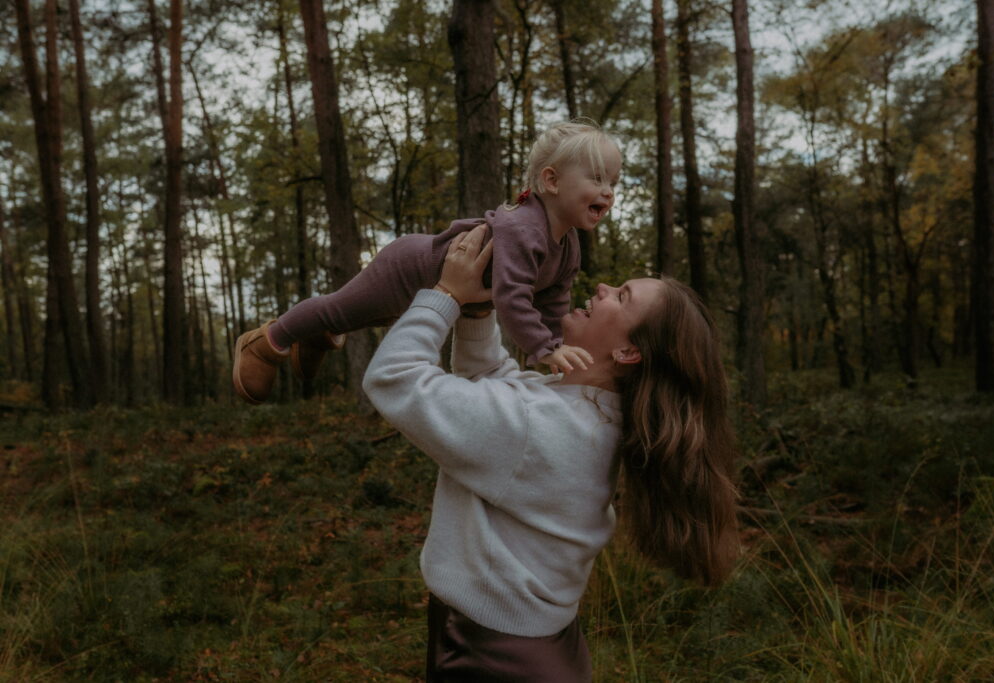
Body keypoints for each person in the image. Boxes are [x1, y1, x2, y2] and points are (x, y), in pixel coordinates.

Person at [361, 224, 740, 680]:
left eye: (621, 297)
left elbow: (393, 378)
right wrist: (479, 309)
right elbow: (496, 385)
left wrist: (445, 295)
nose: (601, 287)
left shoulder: (540, 426)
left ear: (627, 353)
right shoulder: (589, 413)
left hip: (489, 656)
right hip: (540, 645)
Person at [232, 120, 622, 404]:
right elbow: (512, 296)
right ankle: (268, 342)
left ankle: (318, 335)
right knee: (341, 307)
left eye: (614, 183)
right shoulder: (526, 229)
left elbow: (554, 300)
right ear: (552, 181)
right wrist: (544, 348)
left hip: (445, 293)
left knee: (368, 318)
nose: (607, 192)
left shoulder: (567, 245)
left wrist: (556, 341)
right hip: (410, 266)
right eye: (597, 179)